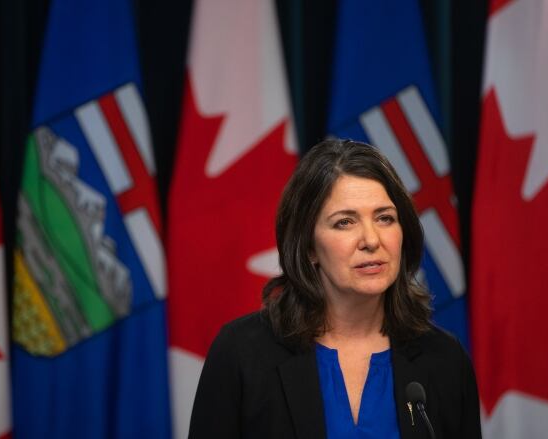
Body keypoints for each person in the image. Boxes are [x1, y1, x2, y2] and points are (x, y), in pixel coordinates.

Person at [188, 139, 481, 439]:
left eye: (385, 218)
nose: (371, 239)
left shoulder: (445, 360)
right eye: (345, 222)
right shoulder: (242, 353)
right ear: (309, 247)